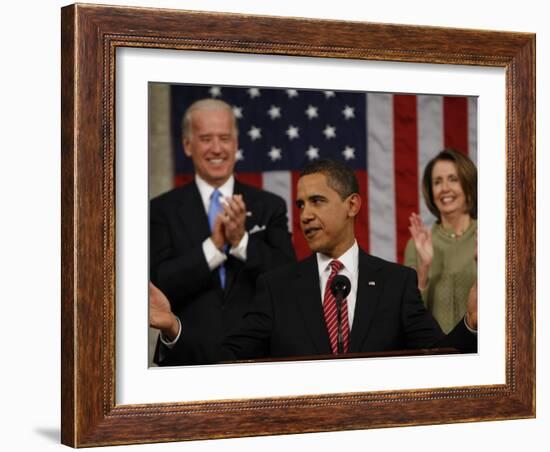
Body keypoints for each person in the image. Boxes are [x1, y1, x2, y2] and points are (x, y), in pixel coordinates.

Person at [151, 159, 477, 363]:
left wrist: (471, 324)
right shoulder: (276, 287)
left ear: (352, 205)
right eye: (301, 204)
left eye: (317, 201)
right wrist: (173, 327)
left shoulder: (396, 283)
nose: (305, 215)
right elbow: (226, 357)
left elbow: (440, 360)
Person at [149, 98, 295, 365]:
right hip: (186, 358)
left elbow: (287, 280)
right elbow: (159, 284)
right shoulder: (160, 210)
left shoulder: (270, 206)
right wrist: (214, 247)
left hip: (258, 361)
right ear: (187, 145)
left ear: (236, 144)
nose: (217, 148)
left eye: (225, 138)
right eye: (206, 138)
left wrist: (241, 242)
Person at [405, 149, 477, 333]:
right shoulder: (417, 244)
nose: (445, 188)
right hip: (435, 352)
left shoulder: (493, 236)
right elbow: (408, 313)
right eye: (437, 182)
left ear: (468, 184)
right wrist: (423, 270)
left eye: (453, 179)